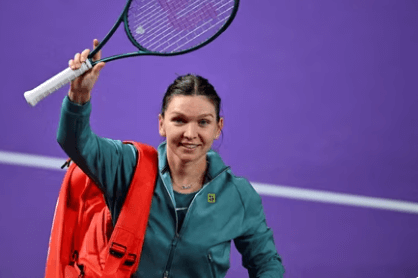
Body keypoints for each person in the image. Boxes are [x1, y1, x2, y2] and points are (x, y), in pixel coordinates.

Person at [57, 39, 285, 278]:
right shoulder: (128, 167)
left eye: (203, 122)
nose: (190, 134)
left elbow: (266, 263)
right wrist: (78, 95)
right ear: (161, 124)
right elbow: (75, 142)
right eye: (179, 120)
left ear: (218, 128)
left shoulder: (238, 196)